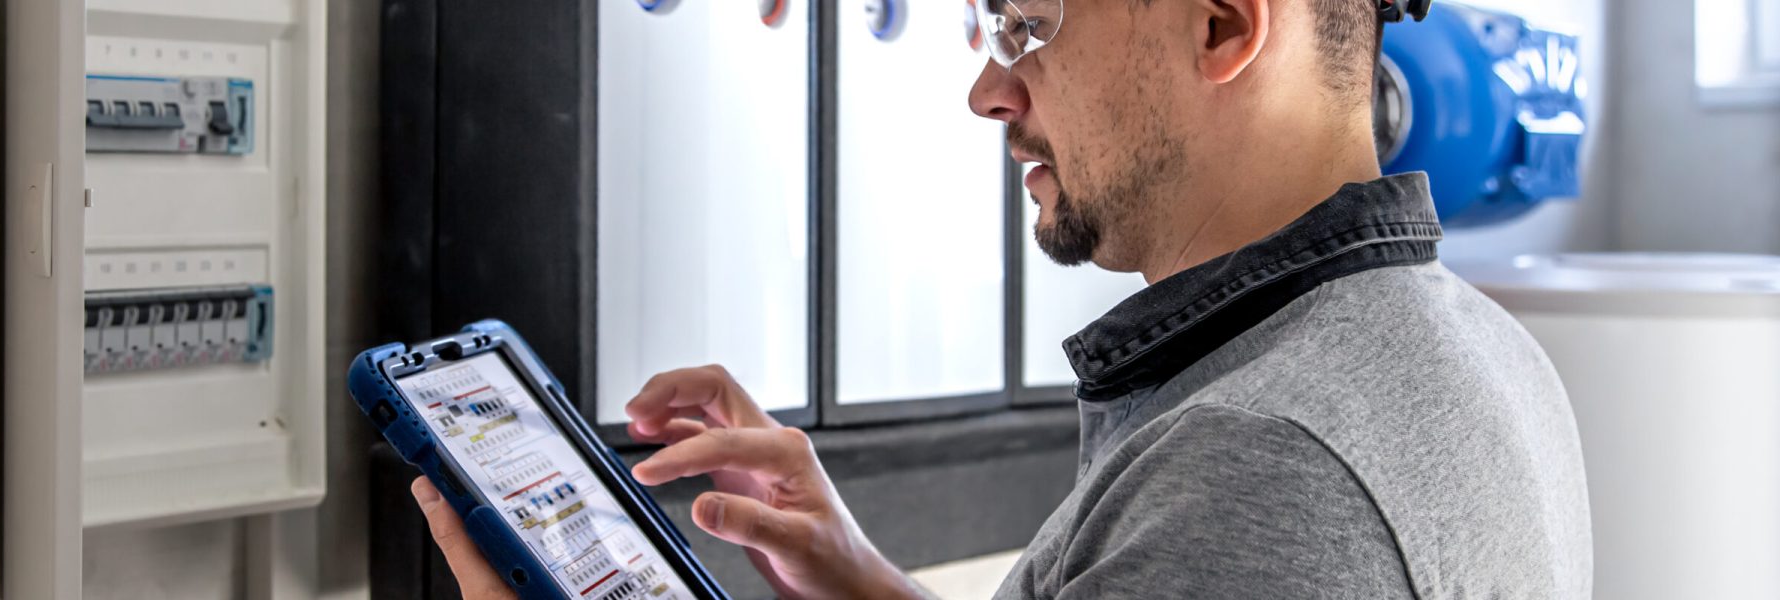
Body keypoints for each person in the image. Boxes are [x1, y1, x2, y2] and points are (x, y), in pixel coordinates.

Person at [409, 0, 1594, 597]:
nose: (989, 88)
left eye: (1030, 23)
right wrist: (863, 580)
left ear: (1226, 23)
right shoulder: (1458, 343)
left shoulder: (1258, 464)